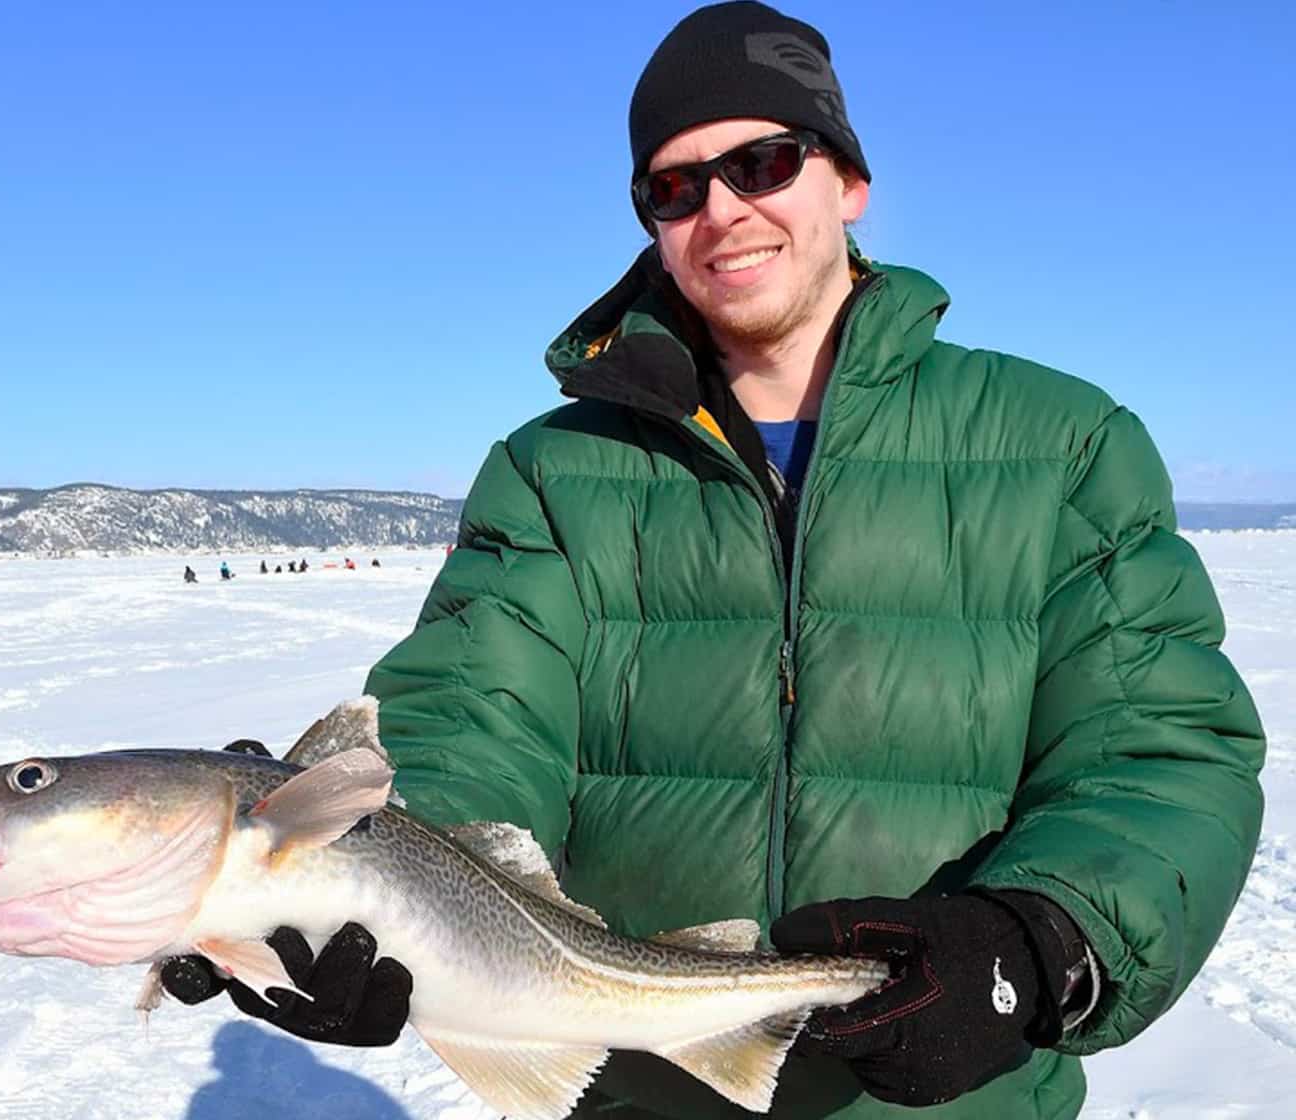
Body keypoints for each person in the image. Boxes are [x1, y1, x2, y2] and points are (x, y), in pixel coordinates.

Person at [163, 5, 1265, 1118]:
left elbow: (1158, 751)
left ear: (848, 179)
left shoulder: (1059, 443)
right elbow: (471, 717)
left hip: (949, 1095)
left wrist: (1038, 938)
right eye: (673, 187)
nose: (721, 211)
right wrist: (356, 865)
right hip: (645, 1088)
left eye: (761, 163)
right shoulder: (557, 471)